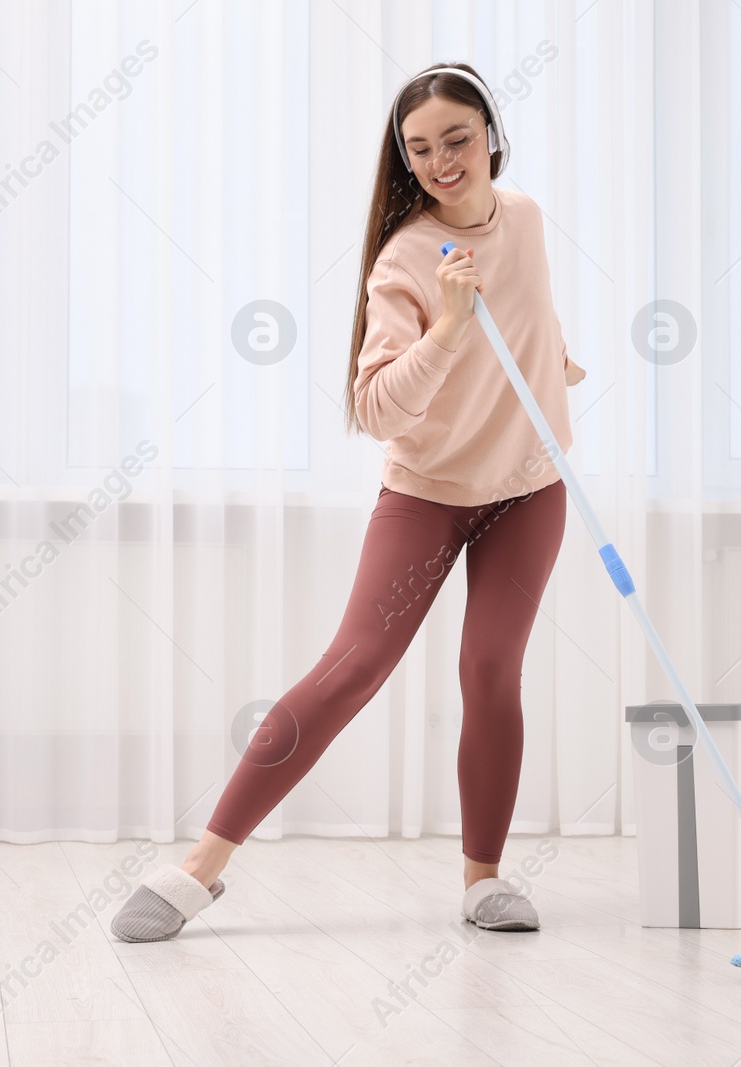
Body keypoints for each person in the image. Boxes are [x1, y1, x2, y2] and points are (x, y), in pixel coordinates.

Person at [112, 61, 586, 943]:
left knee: (490, 670)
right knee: (353, 666)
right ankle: (199, 870)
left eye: (456, 138)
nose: (443, 160)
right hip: (428, 493)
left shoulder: (523, 217)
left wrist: (559, 361)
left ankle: (483, 880)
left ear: (490, 134)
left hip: (528, 489)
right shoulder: (406, 259)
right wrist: (447, 327)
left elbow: (533, 315)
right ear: (405, 162)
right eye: (420, 149)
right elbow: (376, 409)